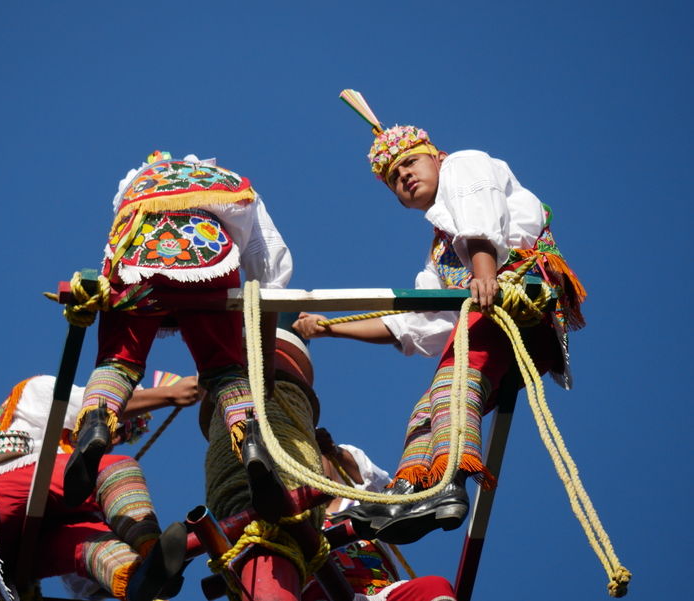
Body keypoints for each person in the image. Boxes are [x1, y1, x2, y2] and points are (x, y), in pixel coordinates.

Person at [294, 115, 585, 545]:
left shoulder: (462, 166)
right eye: (394, 176)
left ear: (435, 156)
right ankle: (412, 491)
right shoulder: (441, 252)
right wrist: (330, 329)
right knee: (428, 409)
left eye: (410, 162)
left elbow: (480, 213)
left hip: (513, 297)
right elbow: (417, 325)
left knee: (452, 384)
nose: (404, 174)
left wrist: (484, 273)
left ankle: (448, 483)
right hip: (494, 314)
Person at [65, 151, 293, 507]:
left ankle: (96, 422)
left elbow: (118, 239)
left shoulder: (137, 182)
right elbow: (268, 264)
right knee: (224, 368)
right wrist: (261, 368)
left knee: (117, 360)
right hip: (206, 256)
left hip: (136, 258)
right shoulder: (230, 183)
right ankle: (250, 442)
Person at [0, 374, 199, 601]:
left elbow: (80, 583)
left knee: (95, 541)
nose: (116, 439)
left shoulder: (75, 473)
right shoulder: (41, 388)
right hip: (1, 493)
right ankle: (152, 551)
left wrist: (151, 583)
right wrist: (169, 394)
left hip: (12, 557)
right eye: (120, 426)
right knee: (117, 468)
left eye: (123, 435)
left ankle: (136, 578)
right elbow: (92, 408)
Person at [305, 428, 458, 601]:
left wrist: (337, 452)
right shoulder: (294, 518)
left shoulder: (365, 504)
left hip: (381, 592)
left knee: (434, 587)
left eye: (314, 455)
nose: (308, 467)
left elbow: (388, 491)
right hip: (323, 593)